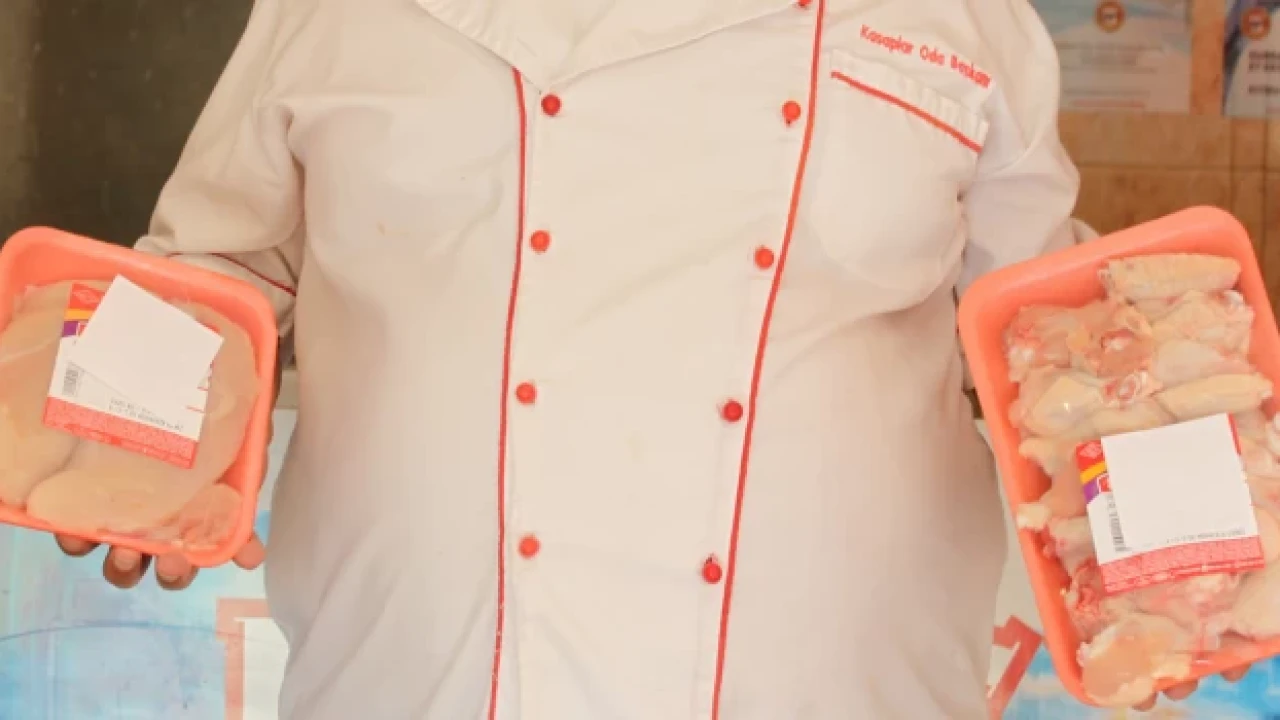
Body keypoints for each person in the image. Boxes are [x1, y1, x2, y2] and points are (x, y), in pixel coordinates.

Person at [53, 0, 1248, 717]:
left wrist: (1179, 569)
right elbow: (216, 269)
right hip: (422, 685)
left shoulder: (955, 19)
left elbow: (1055, 332)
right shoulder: (341, 13)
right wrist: (123, 452)